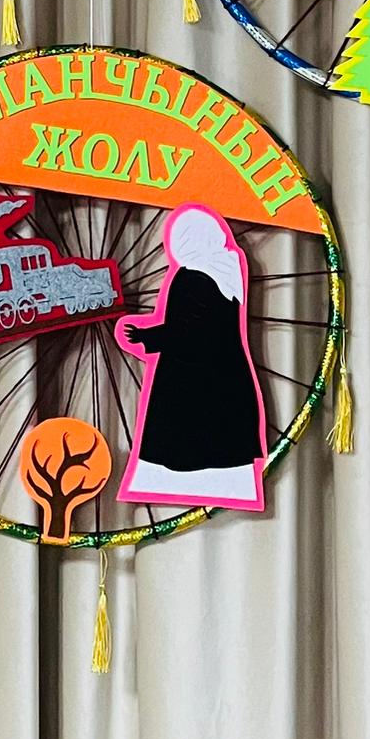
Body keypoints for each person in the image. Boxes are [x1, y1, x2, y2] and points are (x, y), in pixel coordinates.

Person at [113, 206, 269, 511]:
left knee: (180, 454)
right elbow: (200, 327)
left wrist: (147, 337)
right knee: (225, 449)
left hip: (188, 379)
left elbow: (185, 331)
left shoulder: (190, 277)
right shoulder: (226, 270)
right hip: (226, 373)